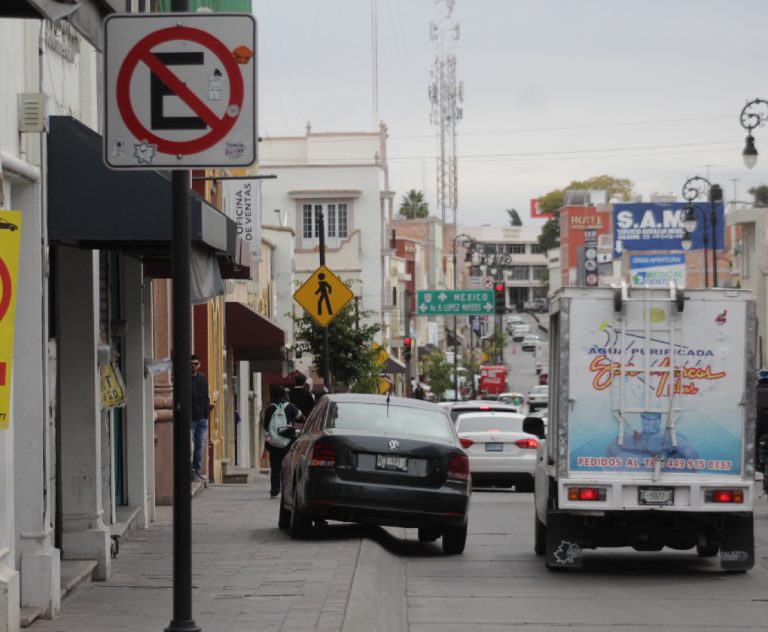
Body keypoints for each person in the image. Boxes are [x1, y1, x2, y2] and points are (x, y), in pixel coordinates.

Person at [263, 383, 303, 497]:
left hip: (274, 443)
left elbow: (266, 427)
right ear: (285, 394)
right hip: (287, 442)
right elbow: (302, 418)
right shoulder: (290, 406)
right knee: (287, 466)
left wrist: (267, 442)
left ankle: (274, 491)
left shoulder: (270, 408)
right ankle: (287, 490)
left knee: (275, 467)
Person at [190, 354, 210, 483]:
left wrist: (205, 412)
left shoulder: (202, 378)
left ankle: (196, 470)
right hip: (190, 418)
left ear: (199, 365)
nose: (193, 366)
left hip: (202, 418)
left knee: (200, 446)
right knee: (189, 445)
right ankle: (189, 471)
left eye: (196, 363)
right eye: (191, 364)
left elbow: (205, 396)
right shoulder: (183, 378)